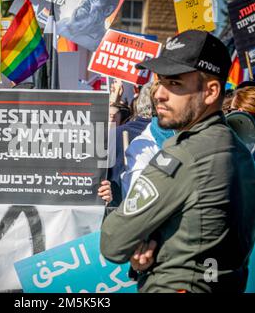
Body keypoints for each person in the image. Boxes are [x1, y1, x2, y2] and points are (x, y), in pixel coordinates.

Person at [101, 30, 255, 292]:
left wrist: (144, 240)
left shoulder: (183, 154)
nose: (159, 94)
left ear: (210, 91)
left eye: (175, 84)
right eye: (160, 82)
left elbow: (112, 241)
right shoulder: (240, 151)